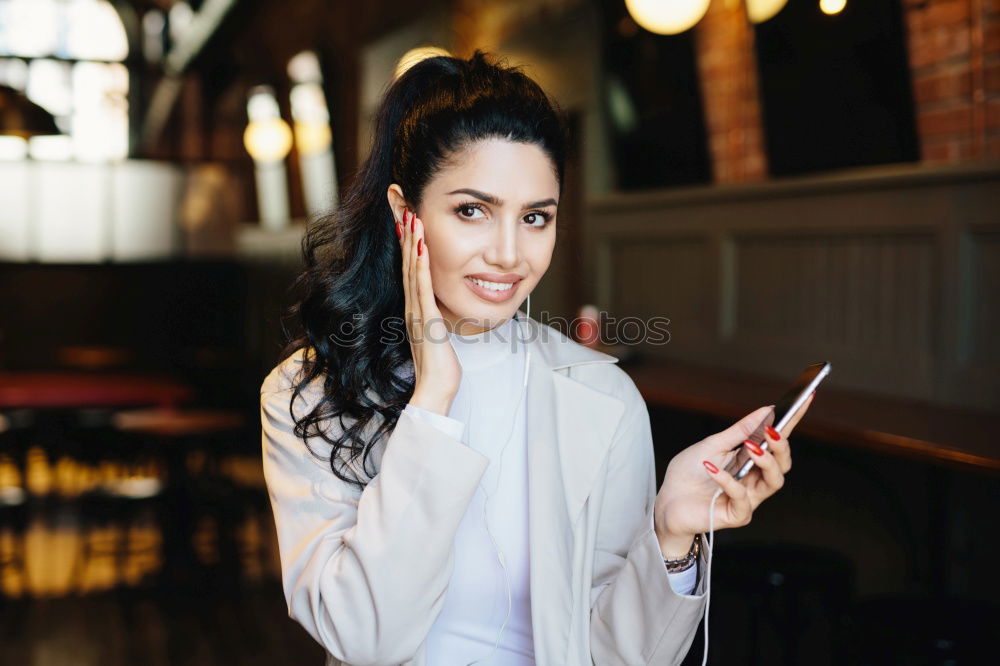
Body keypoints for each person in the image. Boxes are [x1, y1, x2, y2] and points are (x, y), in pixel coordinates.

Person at [260, 50, 813, 666]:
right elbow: (367, 638)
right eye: (472, 210)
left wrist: (673, 534)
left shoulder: (603, 397)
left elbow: (616, 656)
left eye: (535, 218)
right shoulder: (308, 392)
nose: (508, 253)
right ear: (403, 213)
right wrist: (433, 401)